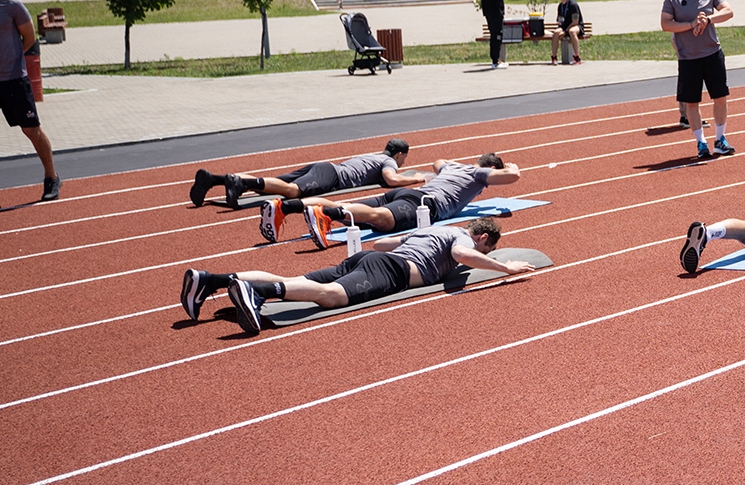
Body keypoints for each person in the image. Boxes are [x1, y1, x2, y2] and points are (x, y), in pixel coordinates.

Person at [179, 216, 539, 337]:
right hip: (390, 270)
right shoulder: (462, 239)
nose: (483, 255)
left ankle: (211, 279)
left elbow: (385, 241)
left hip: (370, 258)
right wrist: (505, 269)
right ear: (484, 237)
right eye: (487, 250)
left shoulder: (436, 228)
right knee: (331, 296)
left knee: (301, 281)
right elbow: (463, 254)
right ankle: (256, 291)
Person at [296, 153, 522, 243]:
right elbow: (513, 176)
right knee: (381, 219)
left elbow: (439, 161)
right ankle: (325, 214)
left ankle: (287, 207)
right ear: (491, 167)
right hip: (424, 204)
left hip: (405, 195)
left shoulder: (452, 168)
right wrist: (512, 167)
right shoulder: (478, 174)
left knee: (351, 210)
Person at [188, 134, 423, 213]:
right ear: (400, 154)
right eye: (405, 158)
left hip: (324, 167)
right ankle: (238, 183)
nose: (404, 162)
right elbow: (391, 180)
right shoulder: (388, 162)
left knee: (275, 183)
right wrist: (418, 178)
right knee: (292, 192)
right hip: (331, 176)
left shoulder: (372, 155)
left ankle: (215, 179)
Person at [660, 0, 736, 159]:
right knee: (692, 103)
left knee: (720, 98)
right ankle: (701, 142)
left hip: (712, 54)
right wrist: (691, 24)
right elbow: (666, 24)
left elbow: (729, 12)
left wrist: (708, 20)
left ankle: (720, 139)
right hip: (688, 58)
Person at [1, 0, 58, 201]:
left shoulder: (10, 4)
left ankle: (51, 177)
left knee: (31, 130)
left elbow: (30, 37)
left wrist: (13, 60)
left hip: (14, 79)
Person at [480, 0, 508, 69]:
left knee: (494, 36)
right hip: (495, 13)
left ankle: (495, 59)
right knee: (497, 36)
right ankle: (495, 61)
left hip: (489, 13)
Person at [553, 0, 585, 64]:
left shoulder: (573, 4)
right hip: (564, 27)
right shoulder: (560, 6)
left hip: (576, 26)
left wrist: (565, 32)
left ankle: (577, 57)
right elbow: (560, 21)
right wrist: (560, 29)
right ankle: (554, 57)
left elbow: (575, 22)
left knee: (572, 31)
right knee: (556, 33)